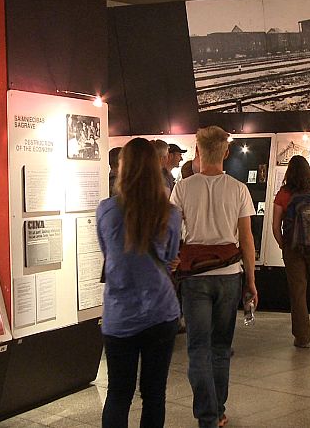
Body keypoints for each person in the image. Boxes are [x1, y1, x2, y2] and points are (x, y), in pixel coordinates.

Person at [170, 125, 257, 428]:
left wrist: (174, 258)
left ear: (197, 151)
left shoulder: (182, 188)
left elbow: (171, 231)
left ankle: (207, 415)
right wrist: (251, 281)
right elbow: (246, 239)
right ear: (226, 151)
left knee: (198, 348)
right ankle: (218, 410)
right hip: (230, 275)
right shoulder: (238, 189)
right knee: (221, 347)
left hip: (194, 278)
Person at [96, 138, 182, 428]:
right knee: (154, 394)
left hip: (119, 314)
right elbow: (170, 257)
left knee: (119, 393)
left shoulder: (106, 211)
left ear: (123, 167)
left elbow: (108, 252)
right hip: (161, 311)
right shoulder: (170, 214)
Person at [272, 155, 310, 348]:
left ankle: (302, 338)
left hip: (293, 249)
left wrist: (284, 245)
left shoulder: (283, 194)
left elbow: (276, 226)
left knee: (298, 292)